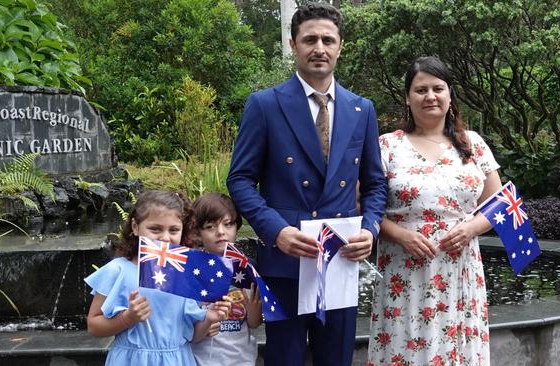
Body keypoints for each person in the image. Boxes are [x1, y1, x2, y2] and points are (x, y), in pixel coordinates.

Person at [226, 3, 387, 365]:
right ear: (293, 44)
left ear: (340, 46)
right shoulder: (264, 105)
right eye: (310, 39)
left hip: (340, 260)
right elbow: (239, 179)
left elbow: (375, 184)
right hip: (285, 260)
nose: (320, 48)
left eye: (328, 40)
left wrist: (371, 228)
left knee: (336, 360)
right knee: (286, 359)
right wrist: (275, 231)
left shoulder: (362, 109)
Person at [367, 56, 502, 366]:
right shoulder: (386, 146)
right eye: (421, 89)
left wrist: (470, 228)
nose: (430, 96)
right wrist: (400, 235)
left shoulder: (473, 144)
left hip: (460, 270)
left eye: (438, 88)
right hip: (404, 269)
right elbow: (364, 208)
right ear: (407, 97)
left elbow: (500, 203)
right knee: (407, 348)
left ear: (450, 95)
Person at [84, 190, 231, 366]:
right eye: (155, 229)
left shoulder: (186, 275)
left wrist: (209, 318)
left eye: (174, 230)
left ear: (182, 231)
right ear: (135, 227)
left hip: (178, 360)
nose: (165, 238)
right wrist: (127, 318)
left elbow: (191, 336)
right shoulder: (117, 270)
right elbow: (94, 325)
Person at [187, 193, 262, 366]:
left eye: (228, 224)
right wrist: (203, 325)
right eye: (210, 226)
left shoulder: (247, 269)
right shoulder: (190, 270)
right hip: (201, 359)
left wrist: (254, 311)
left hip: (241, 359)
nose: (221, 232)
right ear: (197, 232)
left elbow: (253, 323)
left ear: (236, 226)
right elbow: (184, 324)